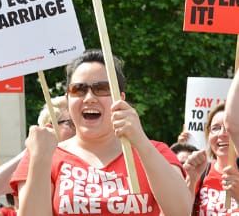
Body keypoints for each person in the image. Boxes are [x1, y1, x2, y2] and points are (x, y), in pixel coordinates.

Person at [10, 49, 191, 215]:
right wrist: (40, 158)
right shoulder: (44, 154)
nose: (89, 98)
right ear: (67, 99)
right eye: (78, 90)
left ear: (120, 99)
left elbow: (181, 211)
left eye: (102, 89)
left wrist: (139, 139)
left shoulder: (154, 151)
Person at [0, 95, 74, 199]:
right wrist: (32, 149)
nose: (78, 128)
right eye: (71, 123)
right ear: (49, 128)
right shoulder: (38, 163)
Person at [184, 102, 239, 213]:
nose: (222, 134)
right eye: (215, 128)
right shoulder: (200, 173)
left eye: (229, 128)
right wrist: (191, 180)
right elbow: (178, 212)